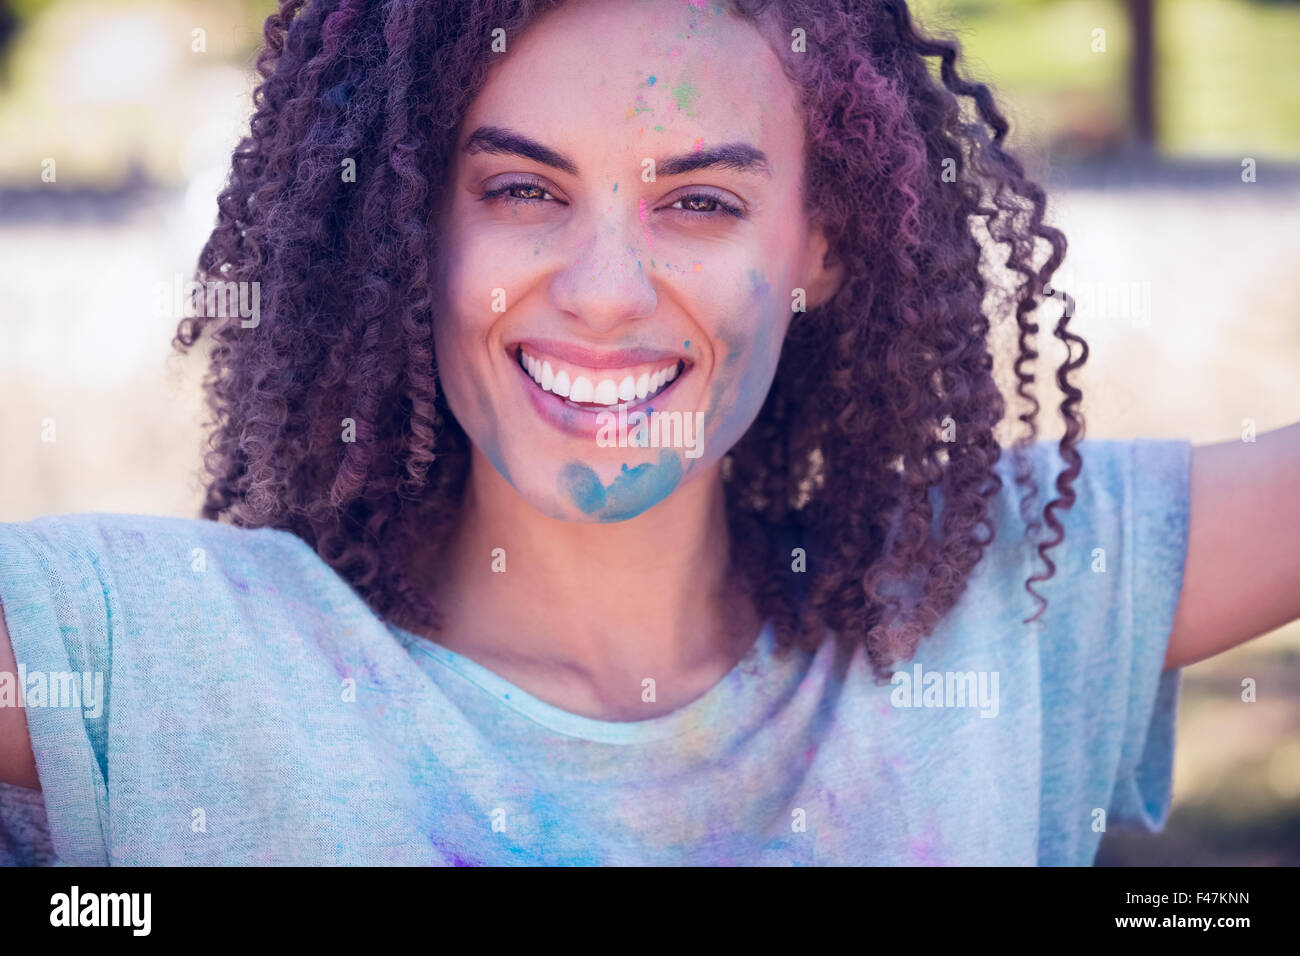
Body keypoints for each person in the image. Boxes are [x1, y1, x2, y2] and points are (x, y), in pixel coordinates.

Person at [0, 0, 1296, 865]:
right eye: (521, 189)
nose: (606, 289)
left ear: (822, 245)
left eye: (700, 202)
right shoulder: (148, 649)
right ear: (408, 230)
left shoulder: (996, 597)